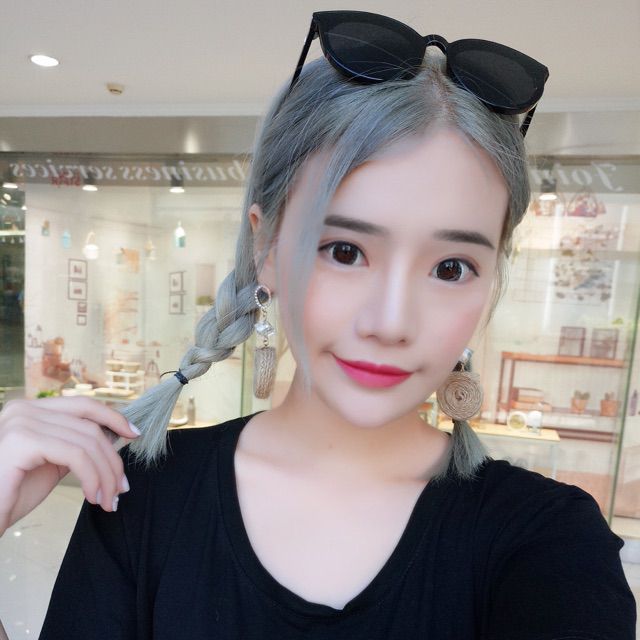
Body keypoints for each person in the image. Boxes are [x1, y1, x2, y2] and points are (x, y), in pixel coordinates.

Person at [0, 10, 636, 639]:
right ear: (266, 249)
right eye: (345, 251)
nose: (391, 322)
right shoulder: (143, 493)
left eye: (450, 267)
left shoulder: (549, 542)